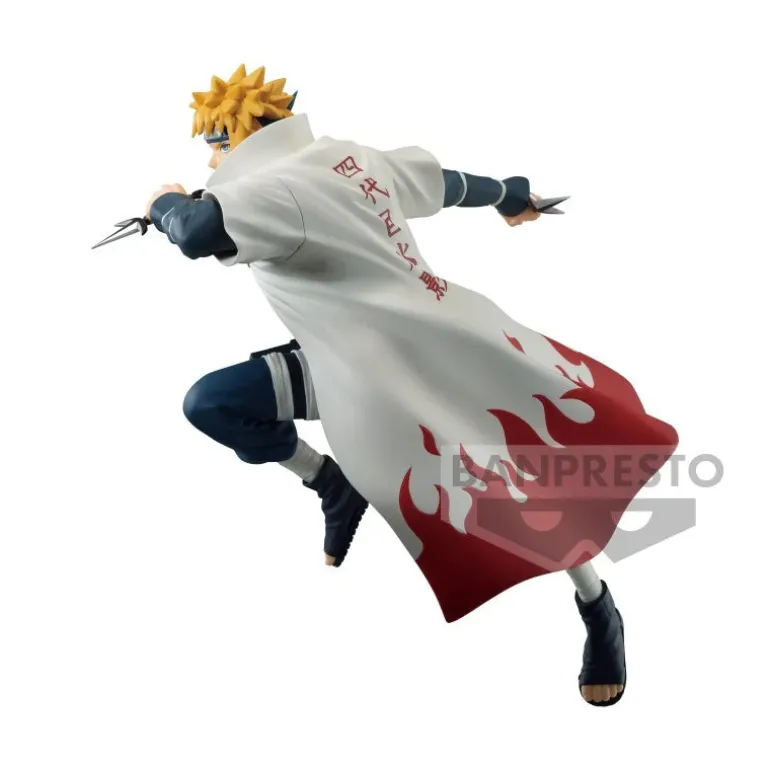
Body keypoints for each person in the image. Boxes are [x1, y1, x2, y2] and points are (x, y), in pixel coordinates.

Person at [144, 64, 678, 706]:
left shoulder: (270, 190)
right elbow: (445, 184)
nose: (211, 160)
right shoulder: (345, 158)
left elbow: (196, 232)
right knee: (214, 403)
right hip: (339, 366)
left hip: (423, 370)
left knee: (524, 488)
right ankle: (330, 482)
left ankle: (597, 606)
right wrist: (509, 195)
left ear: (233, 138)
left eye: (214, 145)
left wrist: (164, 203)